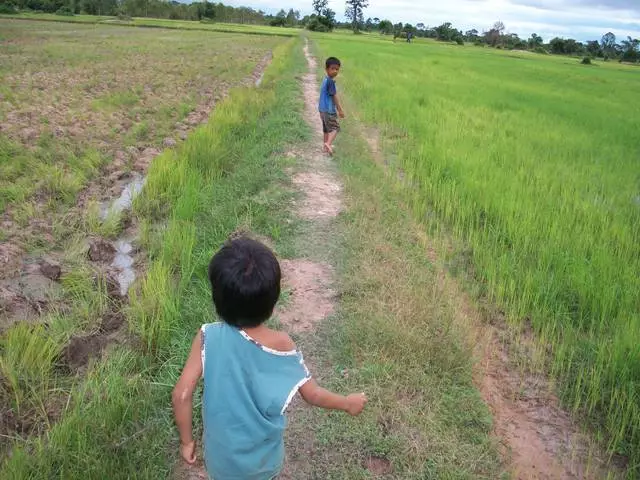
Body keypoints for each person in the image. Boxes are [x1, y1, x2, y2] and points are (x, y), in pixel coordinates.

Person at [172, 236, 367, 480]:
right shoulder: (282, 345)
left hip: (220, 462)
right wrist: (347, 402)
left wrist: (186, 442)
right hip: (262, 465)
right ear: (273, 301)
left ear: (217, 298)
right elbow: (313, 394)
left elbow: (181, 394)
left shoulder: (206, 337)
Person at [318, 56, 345, 156]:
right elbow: (334, 96)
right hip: (329, 110)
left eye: (337, 69)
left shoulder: (325, 80)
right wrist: (340, 110)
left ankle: (325, 147)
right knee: (335, 128)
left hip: (322, 110)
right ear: (327, 69)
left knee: (326, 129)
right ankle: (328, 144)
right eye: (332, 68)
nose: (335, 71)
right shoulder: (330, 82)